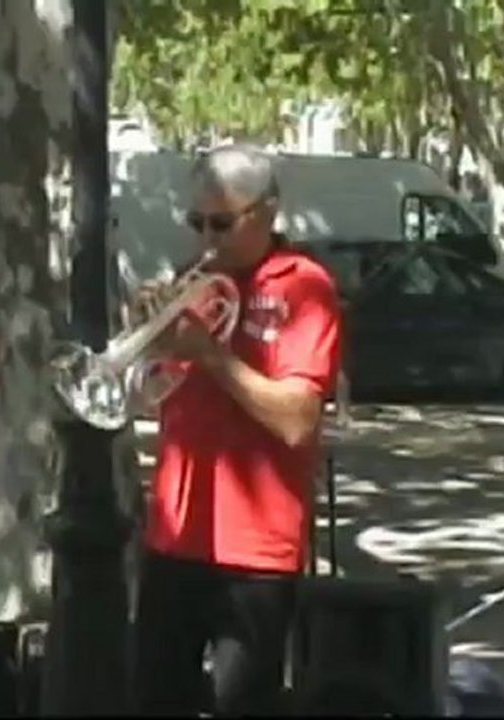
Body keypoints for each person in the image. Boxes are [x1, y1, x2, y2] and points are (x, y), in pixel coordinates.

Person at [131, 144, 343, 715]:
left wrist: (209, 353)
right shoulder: (192, 284)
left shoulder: (304, 286)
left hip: (256, 546)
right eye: (196, 222)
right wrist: (147, 345)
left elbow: (297, 420)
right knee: (155, 695)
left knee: (240, 703)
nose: (206, 240)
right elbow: (152, 400)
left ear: (267, 213)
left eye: (221, 223)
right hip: (176, 533)